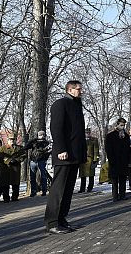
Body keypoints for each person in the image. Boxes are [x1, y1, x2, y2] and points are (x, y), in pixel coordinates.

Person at [44, 80, 87, 235]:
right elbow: (56, 128)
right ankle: (52, 222)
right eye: (78, 89)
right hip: (64, 154)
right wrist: (61, 149)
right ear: (69, 90)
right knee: (58, 189)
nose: (81, 92)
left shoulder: (77, 105)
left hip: (74, 155)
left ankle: (62, 219)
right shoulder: (60, 104)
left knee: (68, 190)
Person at [105, 118, 131, 202]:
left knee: (123, 178)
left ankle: (122, 194)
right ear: (117, 125)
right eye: (121, 125)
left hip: (123, 160)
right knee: (115, 179)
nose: (122, 127)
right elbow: (108, 149)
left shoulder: (126, 136)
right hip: (114, 160)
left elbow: (128, 148)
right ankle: (115, 196)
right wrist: (111, 159)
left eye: (123, 125)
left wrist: (129, 158)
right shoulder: (110, 136)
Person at [0, 134, 25, 202]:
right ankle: (6, 198)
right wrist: (8, 160)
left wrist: (17, 160)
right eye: (10, 139)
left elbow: (23, 155)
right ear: (8, 140)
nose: (12, 141)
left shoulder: (19, 148)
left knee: (15, 183)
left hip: (16, 167)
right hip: (6, 167)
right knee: (5, 184)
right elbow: (0, 156)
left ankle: (15, 197)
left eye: (13, 139)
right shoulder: (2, 148)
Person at [26, 130, 51, 197]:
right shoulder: (34, 142)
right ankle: (33, 191)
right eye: (40, 135)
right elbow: (26, 147)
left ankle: (44, 191)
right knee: (32, 177)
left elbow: (49, 152)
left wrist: (45, 158)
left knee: (43, 176)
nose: (41, 136)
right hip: (33, 161)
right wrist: (32, 141)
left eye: (43, 135)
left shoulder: (46, 143)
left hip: (42, 161)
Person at [78, 128, 99, 193]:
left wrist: (95, 160)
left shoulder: (94, 140)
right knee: (82, 175)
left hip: (90, 159)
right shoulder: (80, 140)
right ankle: (82, 188)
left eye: (88, 132)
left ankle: (90, 188)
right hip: (83, 160)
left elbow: (96, 150)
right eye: (86, 132)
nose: (87, 133)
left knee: (91, 175)